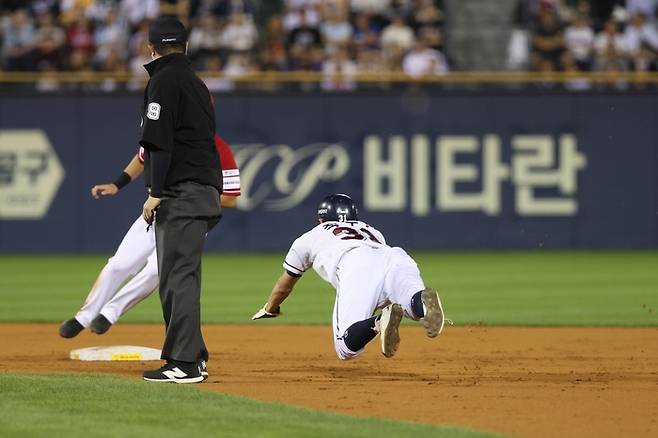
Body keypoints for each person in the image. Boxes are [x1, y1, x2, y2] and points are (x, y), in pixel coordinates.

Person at [58, 136, 240, 343]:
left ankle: (110, 313)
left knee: (155, 270)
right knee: (118, 265)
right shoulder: (162, 134)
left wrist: (182, 200)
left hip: (189, 221)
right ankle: (84, 317)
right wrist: (118, 184)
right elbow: (142, 158)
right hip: (154, 215)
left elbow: (231, 197)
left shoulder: (217, 147)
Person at [252, 194, 446, 360]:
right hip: (396, 256)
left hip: (356, 264)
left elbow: (285, 285)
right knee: (411, 307)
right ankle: (422, 303)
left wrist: (270, 308)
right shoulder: (372, 230)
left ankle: (380, 321)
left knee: (345, 348)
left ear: (322, 219)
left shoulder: (310, 237)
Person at [140, 16, 221, 383]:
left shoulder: (162, 80)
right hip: (201, 190)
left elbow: (159, 143)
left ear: (150, 47)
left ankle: (184, 364)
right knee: (182, 276)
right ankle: (193, 356)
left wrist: (155, 193)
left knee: (177, 279)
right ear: (185, 47)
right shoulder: (195, 82)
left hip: (182, 192)